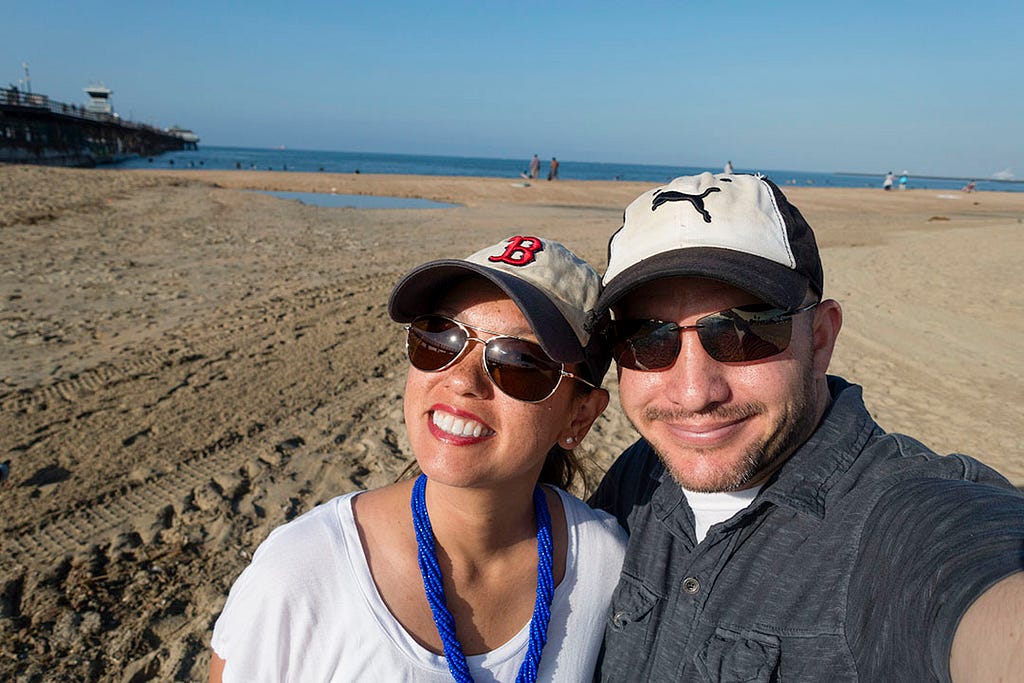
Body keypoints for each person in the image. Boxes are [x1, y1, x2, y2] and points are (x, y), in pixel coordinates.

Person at [588, 172, 1024, 681]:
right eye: (647, 338)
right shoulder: (643, 473)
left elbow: (976, 578)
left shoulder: (899, 520)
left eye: (742, 332)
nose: (693, 393)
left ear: (820, 338)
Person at [209, 235, 626, 681]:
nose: (462, 380)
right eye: (440, 338)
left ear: (579, 417)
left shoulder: (606, 567)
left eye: (519, 361)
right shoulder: (301, 573)